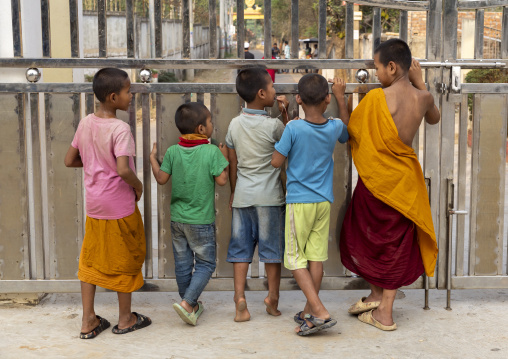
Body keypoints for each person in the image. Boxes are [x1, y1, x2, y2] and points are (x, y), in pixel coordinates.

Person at [338, 38, 440, 331]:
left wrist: (341, 99)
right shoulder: (423, 99)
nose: (376, 74)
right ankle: (376, 295)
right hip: (404, 183)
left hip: (376, 181)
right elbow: (434, 118)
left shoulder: (375, 99)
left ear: (392, 67)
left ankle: (385, 312)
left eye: (378, 68)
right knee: (397, 243)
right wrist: (420, 83)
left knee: (367, 235)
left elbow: (352, 132)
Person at [64, 68, 151, 339]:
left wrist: (92, 164)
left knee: (92, 259)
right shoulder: (120, 128)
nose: (131, 96)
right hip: (119, 207)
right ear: (113, 97)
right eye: (128, 91)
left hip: (95, 206)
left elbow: (69, 160)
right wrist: (138, 186)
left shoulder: (85, 123)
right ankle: (125, 318)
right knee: (125, 257)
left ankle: (88, 319)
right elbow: (124, 170)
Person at [271, 74, 349, 336]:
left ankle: (320, 310)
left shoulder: (293, 128)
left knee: (294, 259)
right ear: (327, 99)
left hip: (299, 202)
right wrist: (341, 97)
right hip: (323, 202)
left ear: (298, 99)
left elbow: (276, 161)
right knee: (316, 257)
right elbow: (346, 132)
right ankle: (308, 313)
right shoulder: (335, 126)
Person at [149, 102, 229, 326]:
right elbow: (222, 181)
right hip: (200, 221)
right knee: (206, 264)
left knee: (183, 265)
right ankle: (187, 302)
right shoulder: (212, 151)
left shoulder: (174, 151)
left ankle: (190, 305)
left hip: (177, 220)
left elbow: (161, 179)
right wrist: (225, 158)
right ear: (201, 129)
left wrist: (153, 159)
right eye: (211, 121)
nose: (213, 124)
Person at [226, 67, 290, 323]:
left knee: (240, 251)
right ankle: (272, 299)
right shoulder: (274, 125)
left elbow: (233, 161)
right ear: (262, 93)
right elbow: (290, 140)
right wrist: (285, 113)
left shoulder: (234, 124)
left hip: (242, 196)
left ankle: (239, 297)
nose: (276, 91)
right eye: (273, 87)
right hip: (270, 199)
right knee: (272, 252)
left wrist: (233, 192)